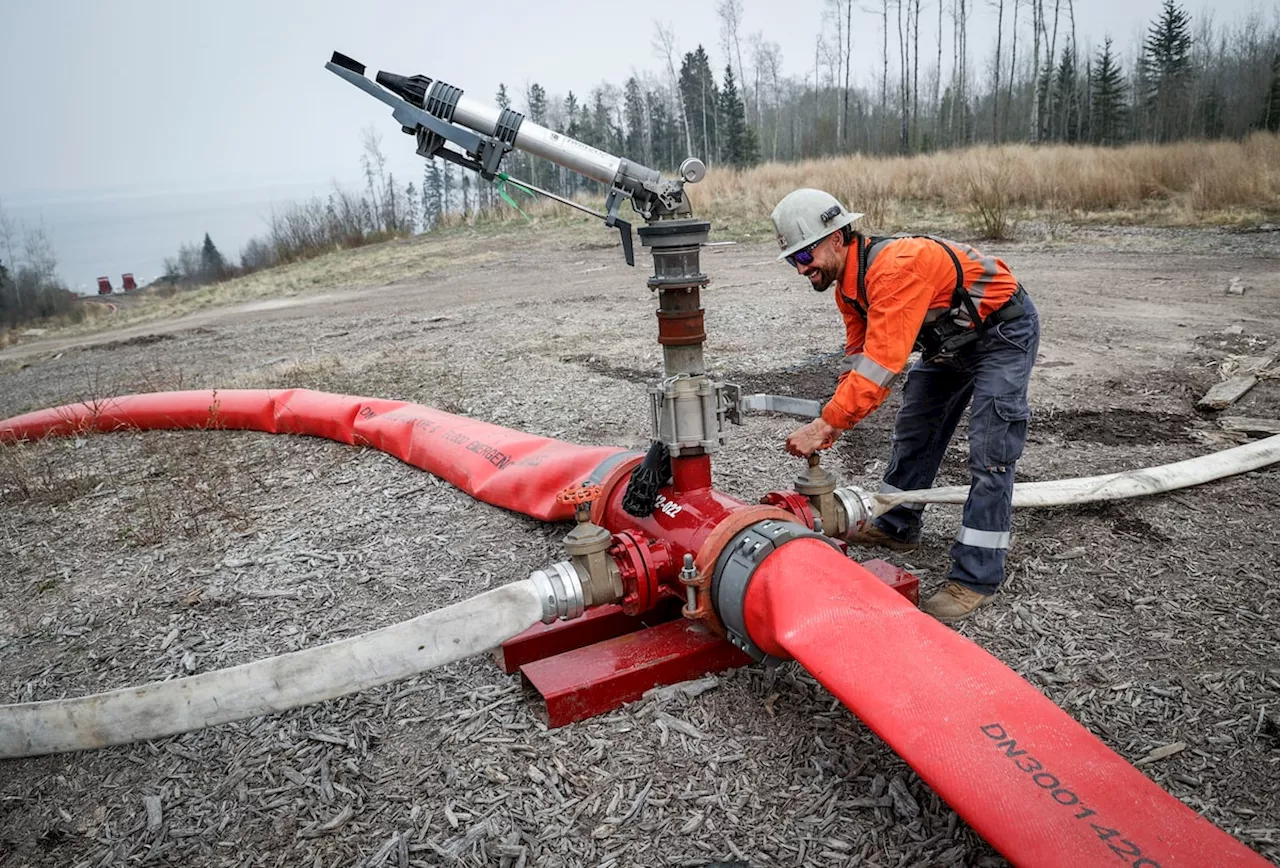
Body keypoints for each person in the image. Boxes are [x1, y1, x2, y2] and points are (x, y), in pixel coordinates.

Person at [770, 188, 1040, 622]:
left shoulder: (894, 269)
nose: (802, 270)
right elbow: (858, 361)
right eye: (793, 261)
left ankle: (976, 577)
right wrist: (836, 418)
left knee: (991, 452)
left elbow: (881, 366)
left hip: (1000, 334)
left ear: (837, 239)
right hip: (950, 343)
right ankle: (897, 526)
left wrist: (824, 424)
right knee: (917, 427)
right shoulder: (849, 289)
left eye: (805, 257)